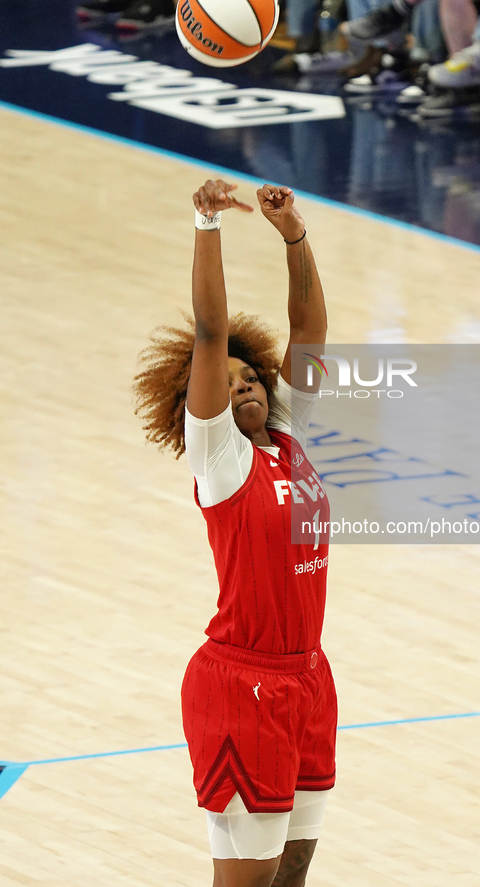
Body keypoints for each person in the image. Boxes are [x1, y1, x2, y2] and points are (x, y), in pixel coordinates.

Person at [133, 179, 337, 887]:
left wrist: (292, 233)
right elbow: (211, 332)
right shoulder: (220, 460)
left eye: (255, 376)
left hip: (307, 676)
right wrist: (206, 223)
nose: (246, 384)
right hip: (240, 684)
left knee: (295, 868)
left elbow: (308, 330)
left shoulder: (290, 439)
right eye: (231, 380)